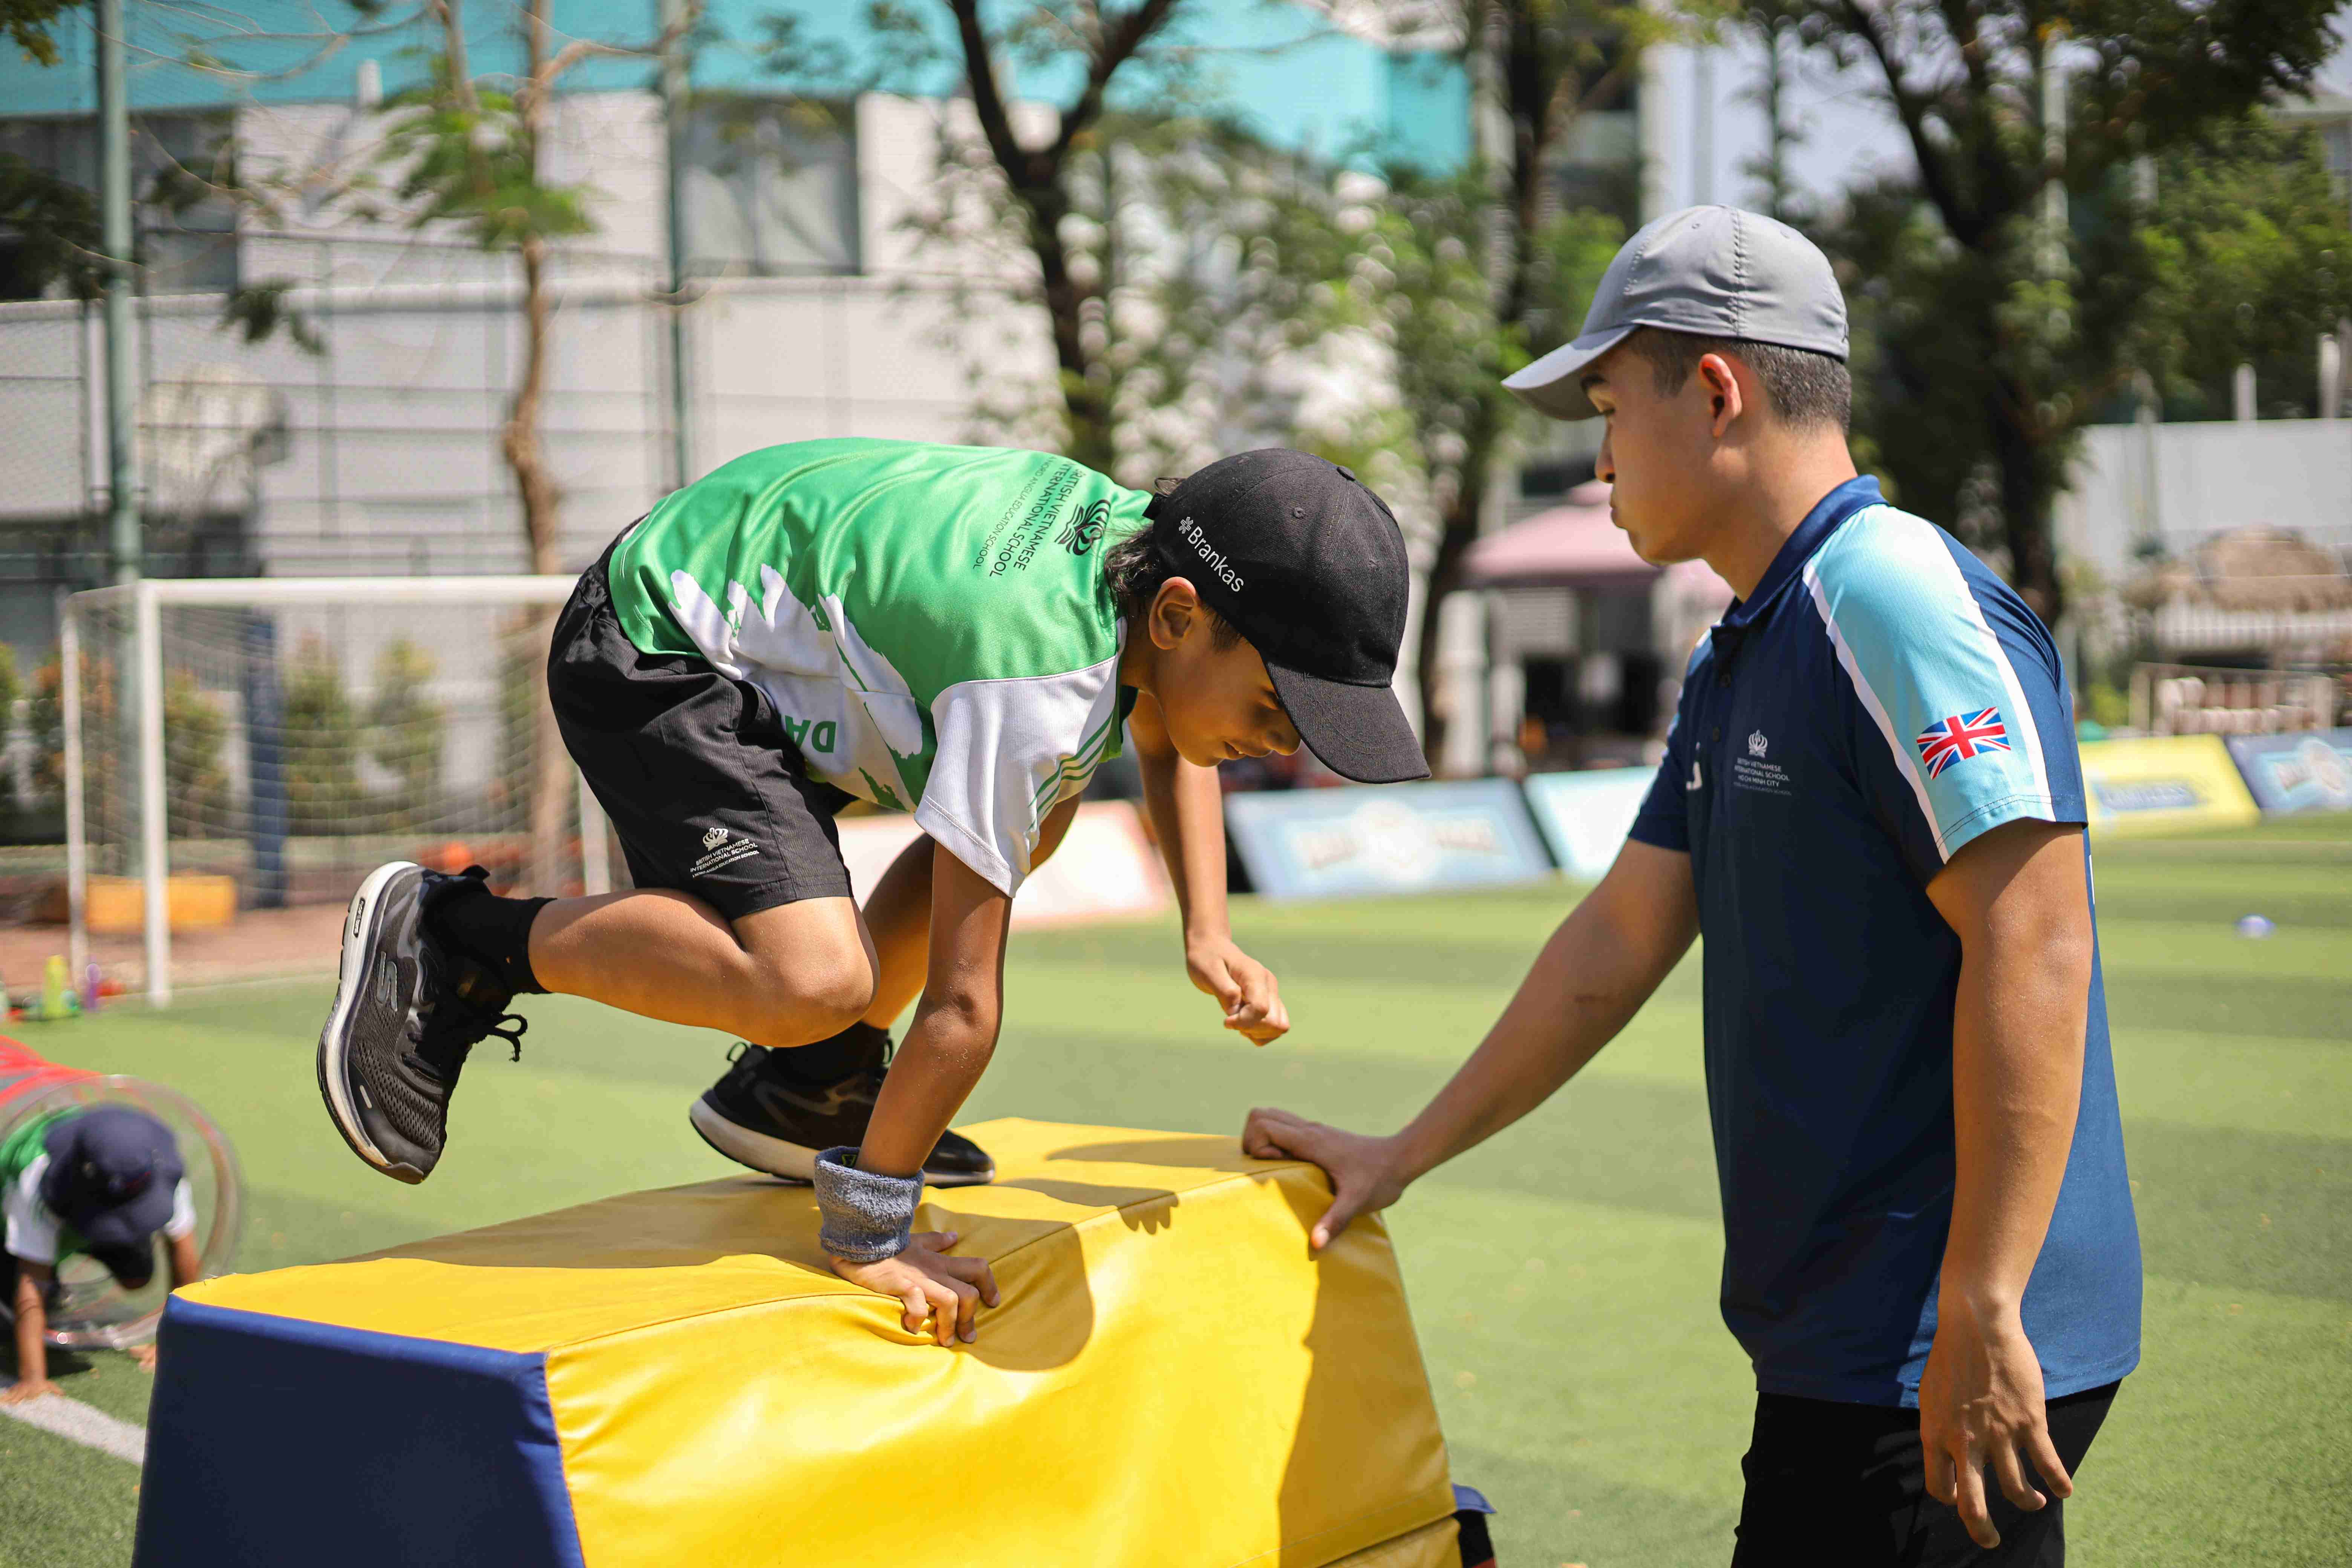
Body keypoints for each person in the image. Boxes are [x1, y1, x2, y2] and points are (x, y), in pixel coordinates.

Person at [1242, 207, 2141, 1566]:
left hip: (1936, 1340)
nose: (1597, 461)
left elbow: (2034, 933)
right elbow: (1618, 935)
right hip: (1854, 1341)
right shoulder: (1748, 637)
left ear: (1714, 393)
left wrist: (1985, 1293)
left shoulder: (1880, 595)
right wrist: (1402, 1152)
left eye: (1609, 408)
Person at [317, 438, 1426, 1344]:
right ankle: (454, 938)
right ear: (1178, 617)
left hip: (765, 625)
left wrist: (1206, 926)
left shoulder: (1152, 555)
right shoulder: (1035, 678)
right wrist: (869, 1227)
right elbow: (962, 1007)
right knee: (809, 977)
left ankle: (804, 1089)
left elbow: (1164, 727)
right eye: (1276, 712)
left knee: (1038, 808)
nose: (1281, 748)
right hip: (657, 643)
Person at [3, 1105, 201, 1401]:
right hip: (13, 1220)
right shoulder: (38, 1177)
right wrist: (33, 1377)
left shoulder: (162, 1168)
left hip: (87, 1212)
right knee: (9, 1323)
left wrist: (174, 1344)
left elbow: (183, 1251)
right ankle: (53, 1280)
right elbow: (31, 1278)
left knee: (137, 1276)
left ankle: (87, 1249)